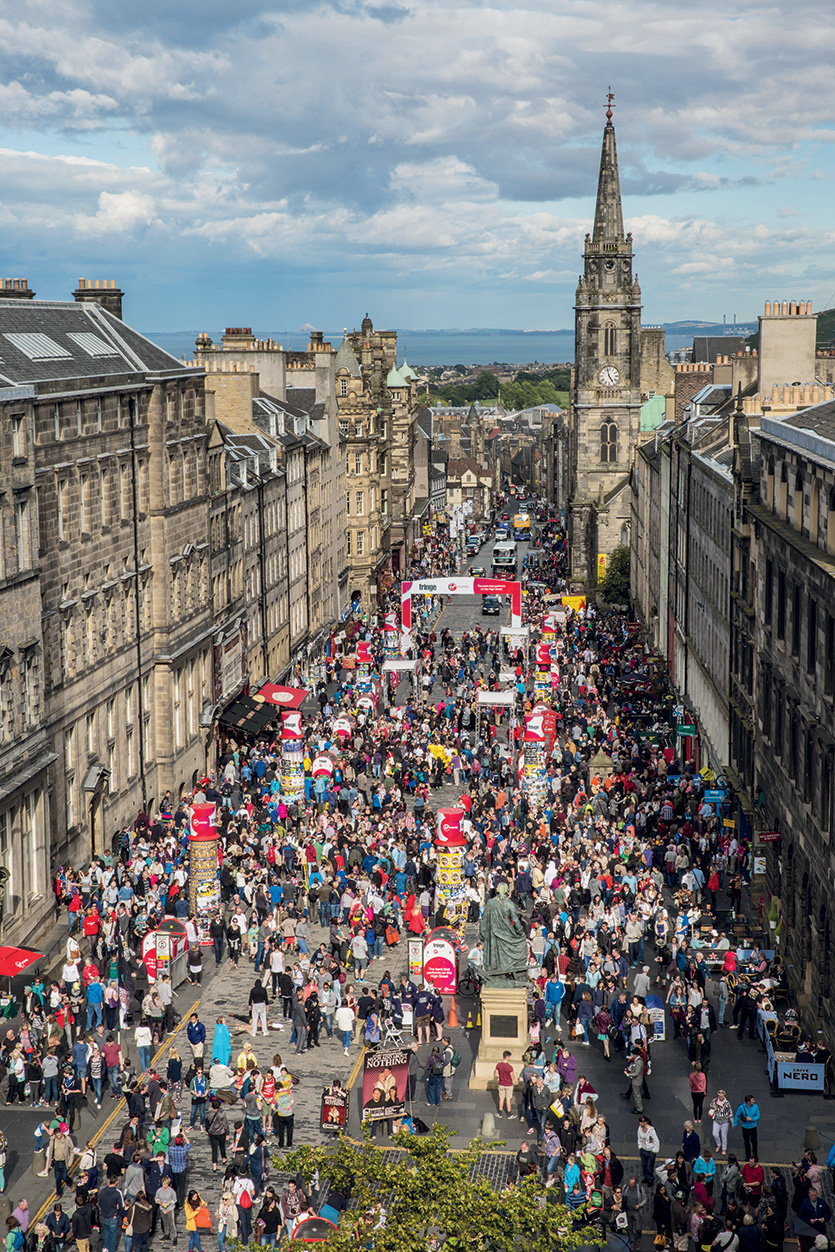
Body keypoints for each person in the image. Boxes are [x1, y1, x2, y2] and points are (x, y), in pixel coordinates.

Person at [637, 1116, 660, 1187]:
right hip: (643, 1150)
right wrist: (640, 1146)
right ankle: (646, 1177)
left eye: (641, 1122)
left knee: (649, 1166)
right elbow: (639, 1138)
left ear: (645, 1122)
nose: (640, 1123)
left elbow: (656, 1141)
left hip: (650, 1151)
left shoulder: (651, 1130)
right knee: (644, 1165)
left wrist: (654, 1151)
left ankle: (650, 1179)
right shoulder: (640, 1129)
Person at [494, 1050, 514, 1119]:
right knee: (508, 1099)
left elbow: (496, 1074)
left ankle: (500, 1112)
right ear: (507, 1057)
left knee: (501, 1098)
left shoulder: (498, 1065)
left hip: (501, 1083)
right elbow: (513, 1077)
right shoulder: (510, 1067)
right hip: (508, 1084)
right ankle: (509, 1114)